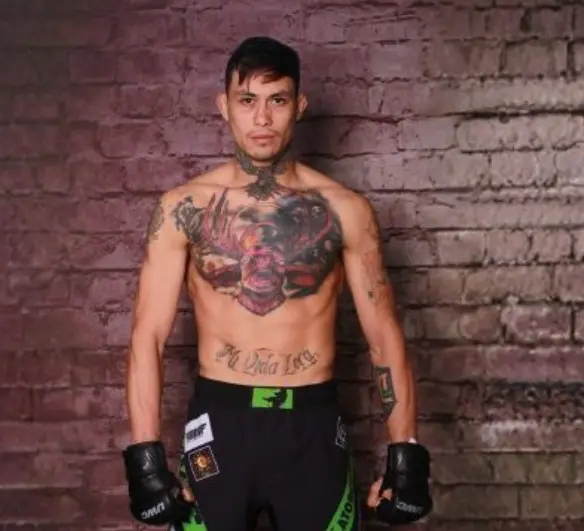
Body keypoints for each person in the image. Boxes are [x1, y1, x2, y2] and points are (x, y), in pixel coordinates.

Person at [121, 35, 433, 530]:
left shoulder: (344, 210)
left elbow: (383, 335)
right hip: (220, 424)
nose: (262, 118)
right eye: (247, 100)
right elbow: (148, 335)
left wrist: (406, 452)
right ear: (224, 106)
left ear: (299, 106)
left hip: (312, 426)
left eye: (277, 100)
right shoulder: (184, 207)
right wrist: (144, 454)